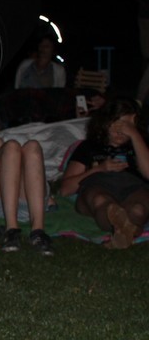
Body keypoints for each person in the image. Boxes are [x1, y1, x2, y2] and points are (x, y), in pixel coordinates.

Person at [58, 97, 149, 249]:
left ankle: (123, 232)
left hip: (133, 187)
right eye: (116, 124)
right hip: (97, 185)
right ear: (105, 124)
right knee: (102, 202)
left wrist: (135, 135)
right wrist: (99, 169)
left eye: (126, 125)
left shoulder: (140, 145)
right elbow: (65, 189)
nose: (120, 131)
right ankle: (130, 229)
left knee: (138, 209)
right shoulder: (89, 147)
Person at [0, 135, 55, 255]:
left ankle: (35, 231)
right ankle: (14, 229)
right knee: (14, 147)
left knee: (30, 146)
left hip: (24, 206)